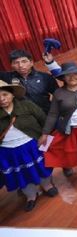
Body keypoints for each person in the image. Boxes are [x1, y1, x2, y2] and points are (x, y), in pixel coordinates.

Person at [0, 80, 58, 212]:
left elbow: (43, 119)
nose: (2, 99)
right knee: (22, 173)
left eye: (5, 95)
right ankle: (31, 196)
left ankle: (47, 185)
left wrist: (44, 135)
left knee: (42, 167)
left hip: (31, 145)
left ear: (12, 94)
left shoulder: (26, 105)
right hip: (7, 152)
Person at [0, 50, 58, 114]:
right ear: (11, 65)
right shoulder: (7, 77)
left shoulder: (45, 77)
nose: (20, 65)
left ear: (31, 63)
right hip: (26, 117)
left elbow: (58, 95)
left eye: (24, 61)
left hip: (47, 113)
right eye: (16, 63)